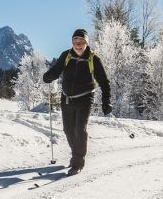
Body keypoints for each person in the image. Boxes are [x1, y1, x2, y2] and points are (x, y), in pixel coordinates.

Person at [42, 29, 112, 176]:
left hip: (85, 98)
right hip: (66, 97)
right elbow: (56, 70)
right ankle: (76, 153)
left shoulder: (94, 59)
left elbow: (104, 83)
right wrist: (49, 76)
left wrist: (106, 102)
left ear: (86, 43)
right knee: (68, 130)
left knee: (80, 129)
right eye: (75, 42)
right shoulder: (66, 55)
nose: (78, 45)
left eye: (81, 42)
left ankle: (77, 162)